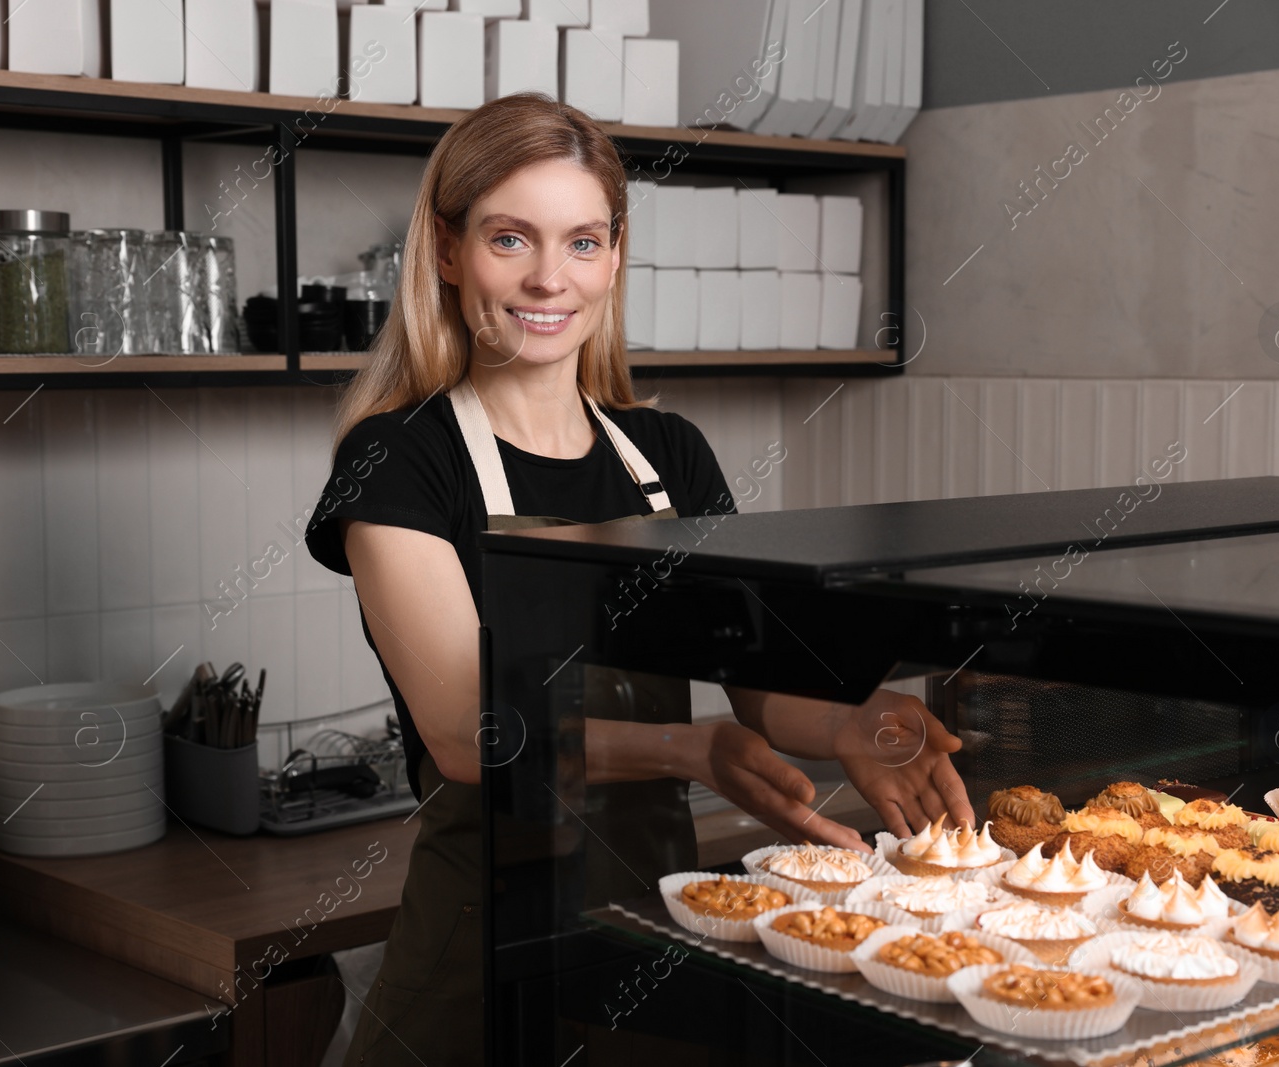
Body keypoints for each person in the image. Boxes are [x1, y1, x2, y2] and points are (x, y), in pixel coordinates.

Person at [306, 93, 974, 1067]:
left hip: (646, 921)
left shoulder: (666, 454)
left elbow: (759, 677)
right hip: (478, 940)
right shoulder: (401, 460)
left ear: (616, 254)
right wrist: (685, 745)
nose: (548, 277)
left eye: (582, 241)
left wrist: (853, 722)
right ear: (448, 250)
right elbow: (463, 729)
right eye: (509, 238)